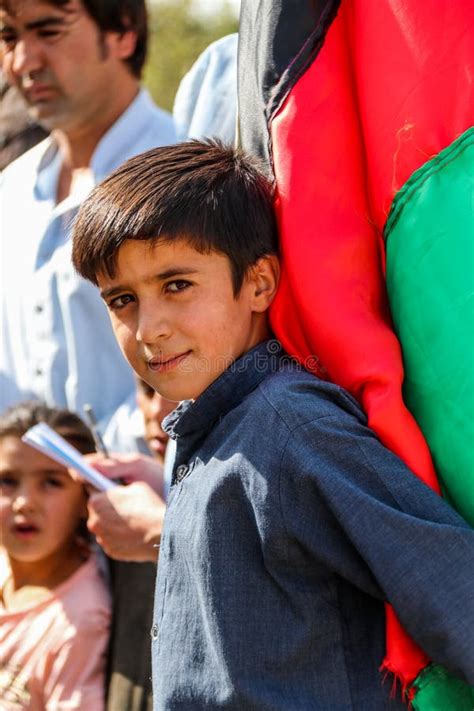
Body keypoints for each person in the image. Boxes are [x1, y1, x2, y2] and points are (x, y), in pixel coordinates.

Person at [71, 140, 474, 710]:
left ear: (259, 283)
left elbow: (453, 590)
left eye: (177, 285)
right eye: (122, 300)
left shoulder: (291, 425)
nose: (149, 328)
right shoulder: (213, 428)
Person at [0, 0, 175, 453]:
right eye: (8, 38)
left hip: (159, 506)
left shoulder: (188, 177)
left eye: (48, 31)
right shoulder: (10, 191)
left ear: (121, 33)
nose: (23, 61)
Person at [0, 400, 111, 709]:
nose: (24, 503)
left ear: (84, 499)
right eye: (7, 481)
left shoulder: (81, 620)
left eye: (51, 482)